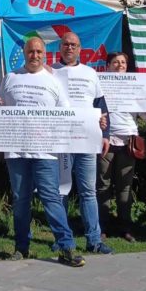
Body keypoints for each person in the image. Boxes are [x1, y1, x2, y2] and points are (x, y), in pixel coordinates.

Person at [1, 36, 86, 267]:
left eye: (39, 52)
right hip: (16, 151)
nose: (35, 55)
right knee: (21, 199)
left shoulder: (54, 81)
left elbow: (66, 114)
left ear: (45, 54)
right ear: (24, 53)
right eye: (31, 51)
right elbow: (0, 108)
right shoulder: (10, 77)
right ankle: (21, 247)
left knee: (51, 197)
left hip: (46, 152)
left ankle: (66, 247)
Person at [52, 31, 113, 255]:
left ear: (79, 49)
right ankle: (62, 239)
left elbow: (101, 106)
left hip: (87, 141)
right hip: (61, 141)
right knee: (61, 191)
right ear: (60, 47)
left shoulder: (90, 73)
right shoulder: (50, 72)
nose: (69, 48)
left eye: (74, 45)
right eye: (66, 44)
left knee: (88, 191)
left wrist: (105, 133)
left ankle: (94, 240)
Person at [96, 52, 146, 242]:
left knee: (125, 187)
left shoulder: (135, 86)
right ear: (107, 66)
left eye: (123, 62)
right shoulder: (99, 84)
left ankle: (125, 227)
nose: (120, 65)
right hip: (105, 140)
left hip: (128, 142)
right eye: (115, 62)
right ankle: (102, 226)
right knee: (103, 186)